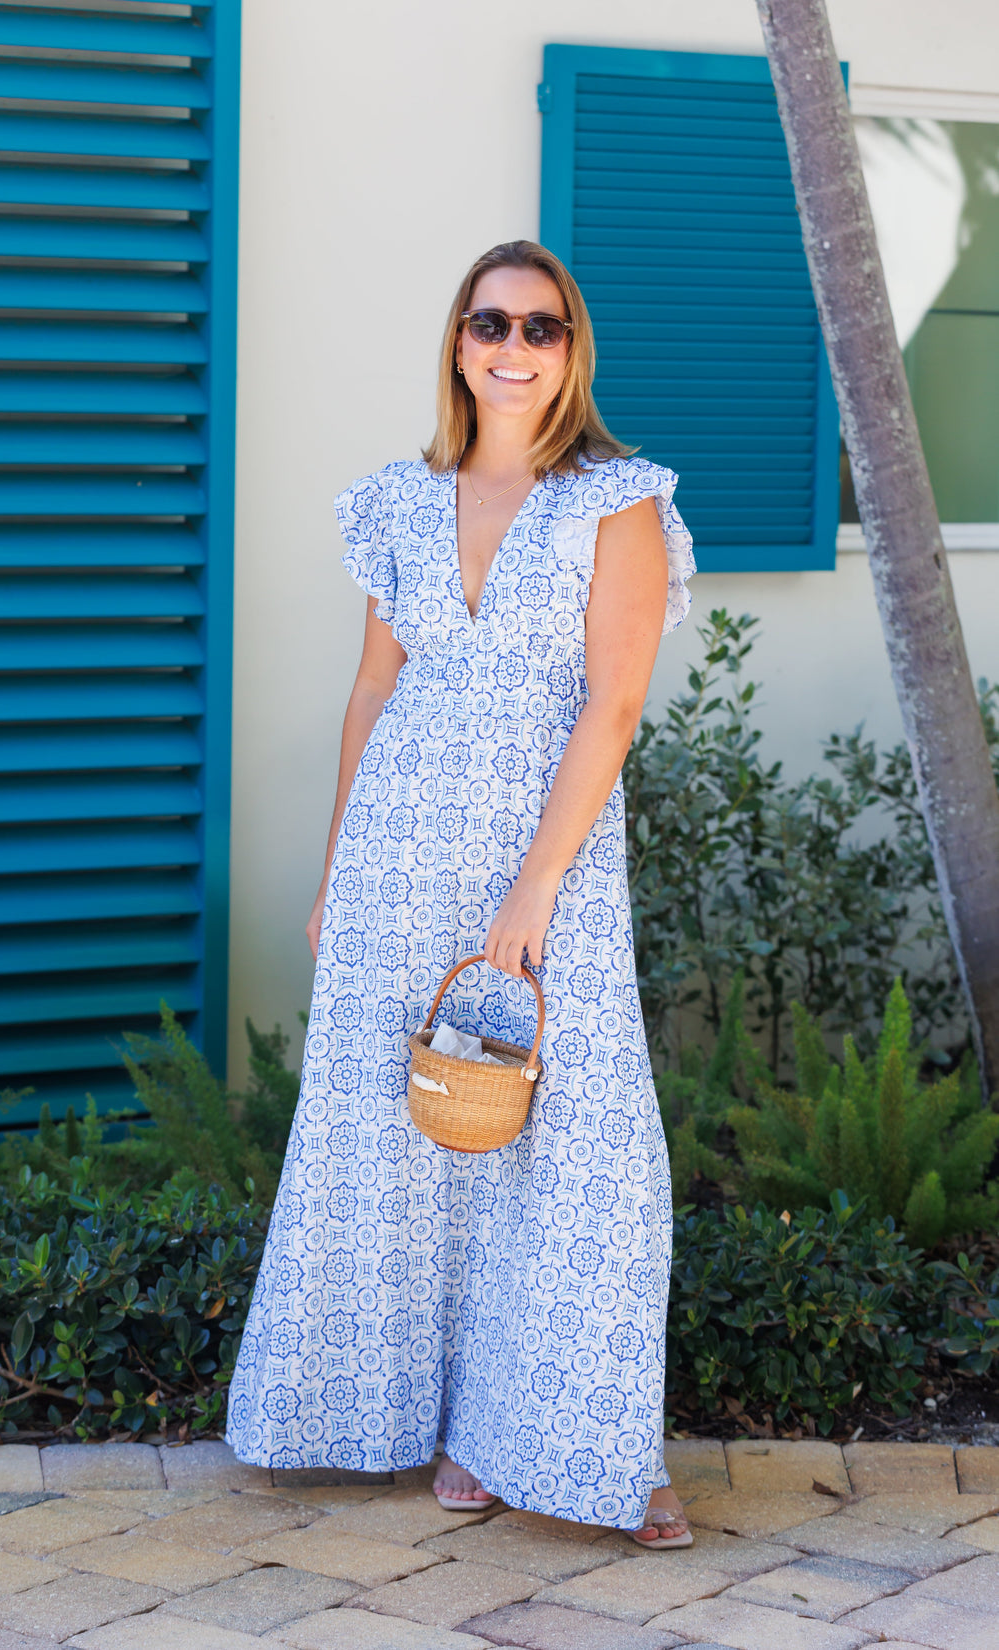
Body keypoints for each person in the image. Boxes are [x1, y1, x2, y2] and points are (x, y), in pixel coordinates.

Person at [226, 239, 696, 1546]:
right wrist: (335, 869)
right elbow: (374, 688)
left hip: (548, 855)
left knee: (582, 1142)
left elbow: (612, 704)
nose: (512, 344)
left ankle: (597, 1445)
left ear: (569, 348)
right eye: (489, 320)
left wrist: (535, 885)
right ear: (458, 340)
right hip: (398, 847)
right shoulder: (397, 498)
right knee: (414, 1130)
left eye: (540, 326)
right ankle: (461, 1431)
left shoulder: (617, 499)